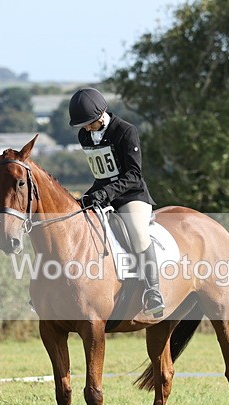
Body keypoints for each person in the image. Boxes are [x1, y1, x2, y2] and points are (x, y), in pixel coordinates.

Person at [68, 87, 165, 316]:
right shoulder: (84, 135)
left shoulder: (126, 131)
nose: (85, 128)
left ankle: (153, 291)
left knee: (138, 234)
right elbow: (101, 172)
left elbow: (133, 175)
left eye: (89, 122)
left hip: (132, 195)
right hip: (104, 193)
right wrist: (90, 195)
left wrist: (106, 193)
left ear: (101, 114)